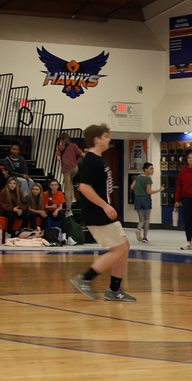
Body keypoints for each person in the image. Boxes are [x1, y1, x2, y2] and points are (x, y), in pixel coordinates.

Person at [69, 123, 135, 302]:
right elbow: (83, 187)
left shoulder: (98, 158)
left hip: (102, 212)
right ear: (97, 140)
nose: (109, 139)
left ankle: (114, 289)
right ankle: (85, 279)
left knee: (124, 246)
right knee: (120, 249)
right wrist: (105, 206)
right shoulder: (91, 160)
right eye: (107, 136)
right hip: (97, 212)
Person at [130, 162, 162, 243]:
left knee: (141, 219)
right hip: (146, 199)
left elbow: (132, 187)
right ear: (146, 169)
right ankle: (145, 237)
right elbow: (149, 191)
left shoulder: (138, 177)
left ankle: (138, 229)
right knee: (147, 219)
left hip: (137, 199)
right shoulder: (148, 179)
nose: (152, 170)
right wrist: (159, 190)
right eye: (151, 169)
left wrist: (138, 191)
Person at [56, 132, 84, 212]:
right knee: (70, 182)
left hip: (66, 168)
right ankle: (73, 197)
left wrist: (61, 158)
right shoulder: (74, 146)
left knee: (67, 187)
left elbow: (58, 158)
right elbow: (81, 154)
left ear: (61, 139)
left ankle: (69, 207)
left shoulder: (60, 147)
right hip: (75, 167)